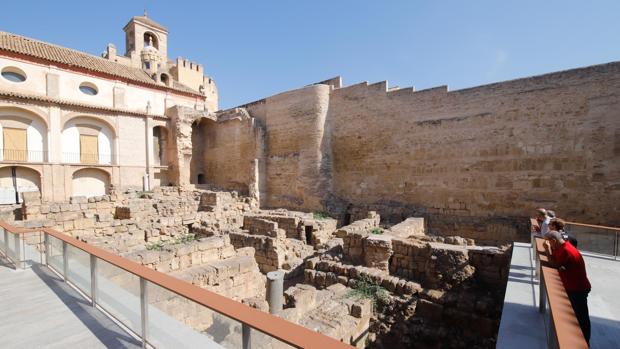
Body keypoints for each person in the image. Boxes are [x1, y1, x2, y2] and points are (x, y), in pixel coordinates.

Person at [543, 231, 591, 344]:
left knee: (580, 318)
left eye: (549, 241)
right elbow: (555, 261)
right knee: (577, 317)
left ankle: (584, 342)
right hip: (574, 287)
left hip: (577, 289)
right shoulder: (564, 246)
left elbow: (553, 264)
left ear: (553, 241)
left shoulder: (566, 250)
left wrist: (547, 249)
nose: (548, 244)